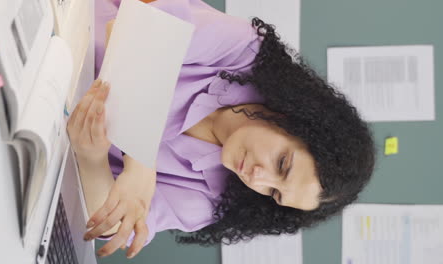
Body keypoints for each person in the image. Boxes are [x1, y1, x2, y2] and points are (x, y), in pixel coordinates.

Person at [66, 0, 375, 260]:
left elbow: (109, 224)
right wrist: (139, 166)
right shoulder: (245, 51)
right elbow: (139, 32)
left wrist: (92, 159)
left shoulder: (208, 202)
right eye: (281, 164)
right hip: (54, 35)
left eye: (274, 193)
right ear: (291, 118)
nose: (257, 178)